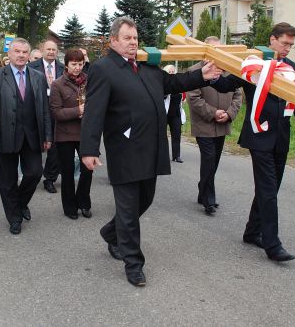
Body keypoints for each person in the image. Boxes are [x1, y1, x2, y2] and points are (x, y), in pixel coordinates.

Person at [80, 16, 221, 287]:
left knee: (145, 200)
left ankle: (111, 233)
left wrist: (200, 75)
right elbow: (94, 112)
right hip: (124, 150)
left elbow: (173, 83)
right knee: (129, 208)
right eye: (127, 38)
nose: (133, 43)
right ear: (113, 41)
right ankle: (133, 263)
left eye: (135, 38)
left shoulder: (146, 67)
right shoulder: (103, 69)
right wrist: (88, 149)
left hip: (152, 148)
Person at [210, 22, 295, 262]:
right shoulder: (254, 64)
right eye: (285, 43)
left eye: (291, 44)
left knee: (271, 188)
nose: (288, 48)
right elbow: (227, 85)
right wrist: (212, 75)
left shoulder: (292, 68)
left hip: (282, 137)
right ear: (272, 40)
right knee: (268, 190)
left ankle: (252, 231)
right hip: (259, 136)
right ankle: (273, 245)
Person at [0, 38, 52, 235]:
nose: (21, 55)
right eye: (17, 51)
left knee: (34, 173)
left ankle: (20, 203)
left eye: (25, 52)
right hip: (5, 135)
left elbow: (45, 109)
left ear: (29, 54)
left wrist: (48, 134)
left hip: (32, 135)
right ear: (10, 54)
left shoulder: (38, 76)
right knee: (7, 180)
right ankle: (14, 217)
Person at [188, 37, 243, 216]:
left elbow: (238, 96)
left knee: (215, 161)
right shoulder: (195, 71)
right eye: (212, 49)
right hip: (204, 125)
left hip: (223, 124)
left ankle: (202, 190)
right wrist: (213, 113)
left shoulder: (229, 71)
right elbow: (194, 99)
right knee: (209, 159)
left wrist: (229, 114)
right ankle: (208, 201)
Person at [49, 49, 93, 220]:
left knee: (87, 170)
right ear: (66, 64)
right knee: (67, 173)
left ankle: (84, 202)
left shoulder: (89, 81)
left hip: (86, 133)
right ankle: (69, 206)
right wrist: (78, 111)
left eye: (80, 64)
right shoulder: (58, 84)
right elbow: (56, 113)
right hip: (65, 135)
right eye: (73, 64)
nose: (77, 67)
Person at [28, 39, 64, 193]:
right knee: (35, 144)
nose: (51, 52)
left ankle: (49, 178)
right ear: (42, 50)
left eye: (53, 49)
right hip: (37, 111)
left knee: (56, 147)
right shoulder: (31, 67)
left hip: (57, 111)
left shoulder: (63, 68)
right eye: (48, 49)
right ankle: (31, 174)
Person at [163, 64, 186, 163]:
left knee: (177, 135)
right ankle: (162, 155)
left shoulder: (178, 84)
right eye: (170, 71)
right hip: (164, 113)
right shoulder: (163, 83)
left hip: (176, 114)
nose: (172, 73)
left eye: (173, 71)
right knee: (162, 136)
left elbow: (184, 97)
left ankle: (177, 156)